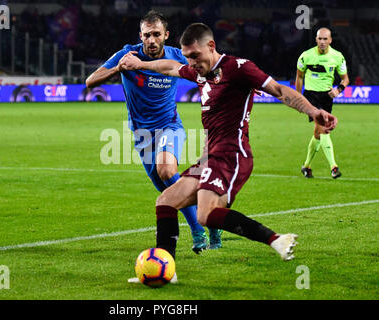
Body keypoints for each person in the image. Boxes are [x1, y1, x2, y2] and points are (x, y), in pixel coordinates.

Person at [121, 23, 338, 281]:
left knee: (205, 214)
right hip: (210, 155)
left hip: (232, 154)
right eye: (187, 56)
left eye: (195, 56)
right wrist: (140, 65)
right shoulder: (198, 72)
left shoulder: (239, 68)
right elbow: (169, 67)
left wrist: (313, 111)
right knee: (165, 201)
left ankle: (276, 239)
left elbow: (279, 90)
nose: (191, 62)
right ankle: (166, 271)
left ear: (211, 46)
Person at [86, 11, 222, 252]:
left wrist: (242, 85)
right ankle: (211, 219)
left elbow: (207, 69)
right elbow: (90, 81)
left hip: (170, 126)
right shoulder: (128, 54)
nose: (151, 40)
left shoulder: (176, 56)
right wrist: (118, 68)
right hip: (142, 136)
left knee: (166, 169)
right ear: (140, 36)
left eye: (156, 34)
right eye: (147, 35)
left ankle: (198, 232)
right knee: (170, 191)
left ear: (166, 35)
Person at [296, 27, 349, 179]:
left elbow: (345, 79)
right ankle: (334, 167)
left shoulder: (338, 57)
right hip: (310, 97)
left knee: (318, 133)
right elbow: (299, 77)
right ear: (316, 40)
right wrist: (299, 99)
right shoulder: (306, 56)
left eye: (325, 39)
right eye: (320, 39)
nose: (322, 42)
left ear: (330, 40)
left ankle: (306, 167)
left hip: (327, 98)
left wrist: (338, 90)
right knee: (324, 128)